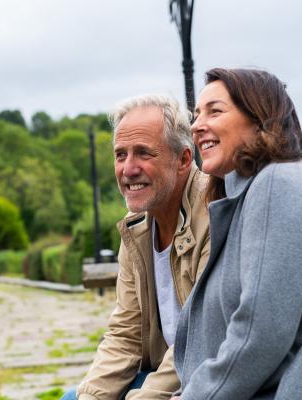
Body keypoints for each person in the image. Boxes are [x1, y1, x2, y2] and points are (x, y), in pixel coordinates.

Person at [172, 68, 302, 399]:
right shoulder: (248, 195)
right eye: (196, 114)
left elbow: (262, 332)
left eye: (215, 111)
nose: (197, 125)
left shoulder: (281, 182)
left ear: (260, 118)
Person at [62, 94, 210, 400]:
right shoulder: (136, 227)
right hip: (164, 374)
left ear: (183, 159)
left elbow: (200, 337)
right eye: (120, 155)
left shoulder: (214, 212)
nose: (128, 169)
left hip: (205, 376)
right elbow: (125, 333)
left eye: (143, 153)